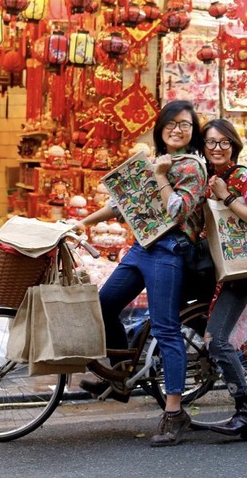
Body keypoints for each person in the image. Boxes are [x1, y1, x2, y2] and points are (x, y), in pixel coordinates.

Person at [76, 100, 207, 447]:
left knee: (165, 329)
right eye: (172, 123)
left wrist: (161, 175)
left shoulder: (192, 167)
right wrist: (82, 222)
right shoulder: (154, 162)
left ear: (192, 132)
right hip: (141, 248)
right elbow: (123, 205)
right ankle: (119, 377)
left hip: (169, 252)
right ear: (160, 127)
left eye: (185, 125)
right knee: (104, 305)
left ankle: (174, 413)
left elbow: (178, 211)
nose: (177, 129)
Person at [200, 118, 247, 441]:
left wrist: (226, 197)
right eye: (211, 142)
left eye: (223, 142)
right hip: (220, 270)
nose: (217, 148)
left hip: (241, 270)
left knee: (217, 340)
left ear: (233, 146)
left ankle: (246, 413)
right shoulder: (208, 177)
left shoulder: (241, 176)